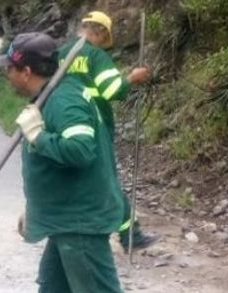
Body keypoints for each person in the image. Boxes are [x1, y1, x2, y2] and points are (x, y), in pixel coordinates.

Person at [0, 32, 156, 293]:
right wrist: (37, 207)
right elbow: (55, 169)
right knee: (54, 281)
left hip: (81, 217)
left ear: (27, 70)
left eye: (10, 70)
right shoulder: (51, 95)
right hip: (65, 212)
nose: (7, 76)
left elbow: (80, 151)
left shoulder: (63, 101)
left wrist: (37, 136)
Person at [58, 11, 158, 252]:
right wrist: (132, 78)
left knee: (77, 178)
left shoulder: (62, 54)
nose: (105, 44)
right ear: (101, 32)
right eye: (105, 38)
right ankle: (129, 235)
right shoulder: (95, 55)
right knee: (107, 180)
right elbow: (111, 89)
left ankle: (74, 226)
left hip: (65, 123)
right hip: (95, 125)